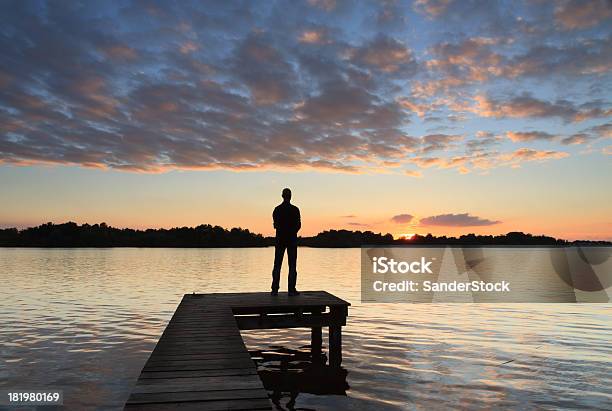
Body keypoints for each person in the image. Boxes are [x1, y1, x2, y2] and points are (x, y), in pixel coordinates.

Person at [271, 188, 301, 296]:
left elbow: (275, 225)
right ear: (290, 196)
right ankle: (291, 290)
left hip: (280, 240)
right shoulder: (295, 210)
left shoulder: (277, 209)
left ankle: (274, 290)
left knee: (277, 265)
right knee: (292, 266)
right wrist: (292, 232)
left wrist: (283, 231)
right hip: (292, 240)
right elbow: (298, 225)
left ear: (282, 196)